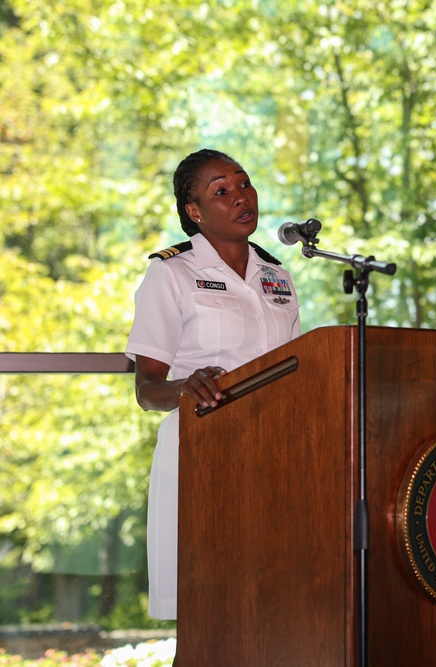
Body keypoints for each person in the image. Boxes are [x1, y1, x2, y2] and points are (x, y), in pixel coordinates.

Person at [125, 149, 300, 621]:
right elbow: (147, 389)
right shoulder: (172, 273)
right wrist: (186, 386)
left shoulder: (277, 275)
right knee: (207, 618)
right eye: (221, 191)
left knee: (267, 614)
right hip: (203, 453)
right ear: (194, 212)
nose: (240, 197)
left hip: (274, 454)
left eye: (244, 184)